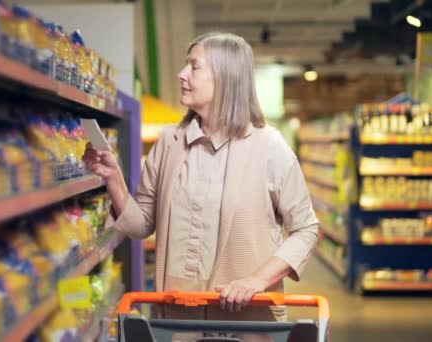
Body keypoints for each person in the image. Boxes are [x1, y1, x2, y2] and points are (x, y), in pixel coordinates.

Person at [82, 32, 318, 325]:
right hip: (177, 320)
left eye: (194, 67)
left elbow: (306, 229)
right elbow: (141, 225)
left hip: (246, 323)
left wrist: (257, 280)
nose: (181, 75)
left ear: (225, 77)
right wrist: (113, 177)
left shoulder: (269, 147)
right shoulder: (169, 142)